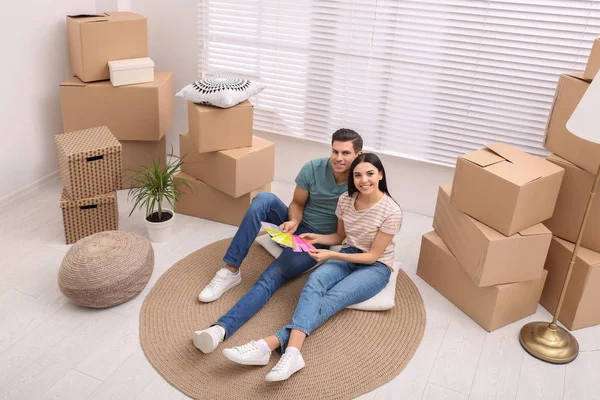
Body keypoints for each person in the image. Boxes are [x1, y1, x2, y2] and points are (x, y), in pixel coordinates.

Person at [220, 153, 402, 382]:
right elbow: (340, 235)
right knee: (313, 283)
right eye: (357, 175)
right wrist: (315, 238)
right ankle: (293, 354)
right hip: (348, 252)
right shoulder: (346, 200)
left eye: (369, 174)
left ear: (380, 175)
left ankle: (269, 345)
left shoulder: (391, 211)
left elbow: (372, 255)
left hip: (374, 267)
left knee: (331, 299)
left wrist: (329, 255)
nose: (363, 180)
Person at [193, 128, 364, 354]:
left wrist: (315, 239)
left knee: (269, 278)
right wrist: (293, 222)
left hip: (313, 241)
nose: (338, 158)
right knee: (263, 199)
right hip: (295, 226)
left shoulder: (359, 183)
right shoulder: (313, 168)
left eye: (346, 153)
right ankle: (231, 269)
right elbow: (297, 203)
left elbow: (342, 235)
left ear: (358, 154)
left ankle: (220, 330)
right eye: (335, 151)